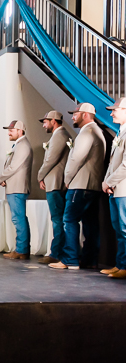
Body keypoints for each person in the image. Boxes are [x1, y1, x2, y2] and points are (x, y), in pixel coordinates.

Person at [50, 103, 105, 271]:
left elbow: (76, 158)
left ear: (85, 115)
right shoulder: (97, 131)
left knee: (69, 220)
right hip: (93, 186)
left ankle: (70, 259)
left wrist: (67, 178)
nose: (73, 116)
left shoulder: (87, 132)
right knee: (90, 223)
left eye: (75, 113)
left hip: (81, 185)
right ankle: (90, 260)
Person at [36, 111, 71, 265]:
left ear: (54, 121)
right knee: (58, 219)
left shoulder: (60, 135)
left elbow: (51, 159)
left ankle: (56, 253)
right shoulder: (59, 135)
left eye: (45, 122)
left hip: (56, 183)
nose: (44, 125)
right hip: (54, 182)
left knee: (58, 220)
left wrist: (40, 176)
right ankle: (58, 252)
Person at [0, 120, 33, 260]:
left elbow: (14, 166)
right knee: (18, 218)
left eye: (11, 130)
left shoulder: (22, 145)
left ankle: (22, 250)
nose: (9, 133)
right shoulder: (18, 145)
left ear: (20, 131)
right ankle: (21, 249)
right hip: (14, 186)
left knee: (19, 219)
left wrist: (0, 178)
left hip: (18, 187)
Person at [102, 98, 126, 279]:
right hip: (115, 189)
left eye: (114, 110)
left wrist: (109, 181)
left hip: (123, 189)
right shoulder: (120, 133)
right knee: (119, 229)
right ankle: (120, 265)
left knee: (125, 229)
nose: (111, 114)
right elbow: (112, 163)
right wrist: (107, 181)